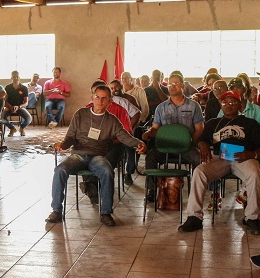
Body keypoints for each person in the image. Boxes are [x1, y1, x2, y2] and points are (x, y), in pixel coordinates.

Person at [46, 85, 146, 227]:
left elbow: (125, 137)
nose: (100, 101)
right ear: (92, 98)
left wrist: (138, 143)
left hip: (97, 156)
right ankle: (56, 210)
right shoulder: (81, 114)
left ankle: (106, 212)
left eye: (104, 98)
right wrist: (63, 145)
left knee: (107, 171)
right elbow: (70, 137)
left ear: (110, 101)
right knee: (60, 170)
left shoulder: (112, 120)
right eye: (97, 97)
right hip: (78, 155)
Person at [178, 90, 260, 235]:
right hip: (220, 159)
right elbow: (201, 139)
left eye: (233, 102)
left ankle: (252, 217)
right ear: (221, 106)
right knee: (199, 171)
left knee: (255, 171)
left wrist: (252, 154)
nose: (228, 105)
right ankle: (194, 217)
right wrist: (202, 145)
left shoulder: (250, 123)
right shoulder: (213, 123)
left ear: (240, 105)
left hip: (243, 158)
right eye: (225, 102)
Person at [142, 71, 204, 202]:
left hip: (186, 148)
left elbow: (199, 128)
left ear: (182, 86)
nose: (172, 86)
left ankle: (196, 190)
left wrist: (189, 141)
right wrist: (148, 133)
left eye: (175, 83)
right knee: (151, 158)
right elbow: (155, 128)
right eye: (170, 83)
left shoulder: (193, 106)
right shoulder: (161, 107)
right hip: (165, 147)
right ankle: (152, 190)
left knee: (198, 159)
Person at [2, 70, 30, 137]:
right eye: (14, 77)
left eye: (17, 77)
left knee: (29, 118)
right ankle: (12, 128)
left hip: (20, 107)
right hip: (9, 107)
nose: (15, 78)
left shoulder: (24, 88)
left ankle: (22, 128)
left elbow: (26, 102)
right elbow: (5, 100)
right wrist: (10, 107)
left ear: (19, 77)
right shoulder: (8, 88)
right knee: (1, 118)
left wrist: (19, 107)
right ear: (11, 78)